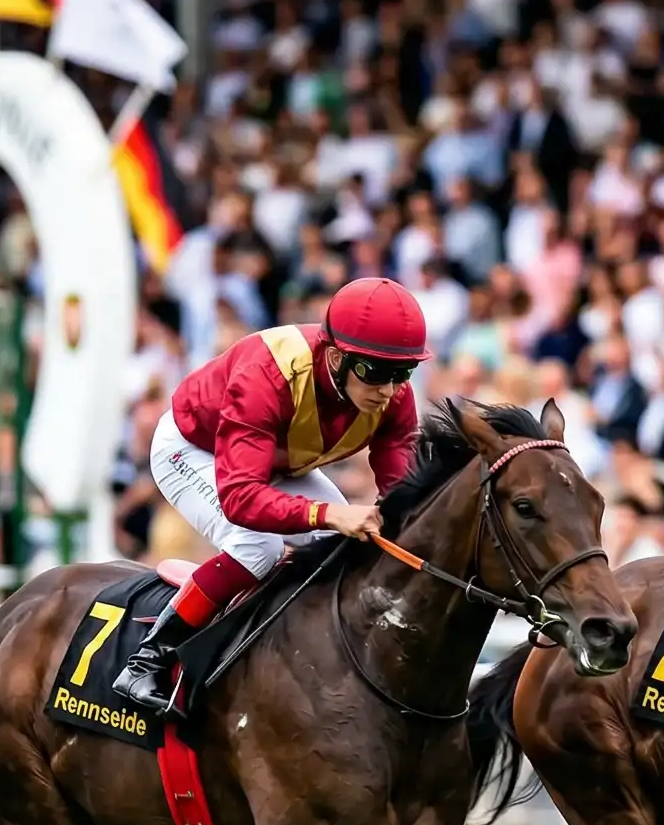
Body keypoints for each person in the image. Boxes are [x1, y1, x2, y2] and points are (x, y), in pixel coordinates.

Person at [108, 276, 427, 714]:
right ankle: (147, 661)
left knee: (344, 549)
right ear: (336, 357)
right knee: (257, 546)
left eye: (402, 373)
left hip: (277, 462)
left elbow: (402, 498)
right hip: (195, 448)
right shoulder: (269, 373)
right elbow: (241, 497)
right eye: (375, 374)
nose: (388, 391)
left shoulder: (393, 396)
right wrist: (328, 513)